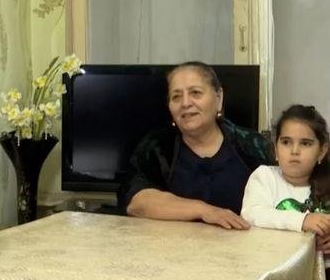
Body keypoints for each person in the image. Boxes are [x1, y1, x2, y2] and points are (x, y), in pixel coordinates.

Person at [121, 61, 273, 229]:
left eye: (195, 93)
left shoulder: (252, 145)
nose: (185, 103)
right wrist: (204, 210)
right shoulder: (157, 146)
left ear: (218, 98)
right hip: (174, 244)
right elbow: (136, 202)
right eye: (176, 96)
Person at [241, 104, 330, 235]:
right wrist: (302, 220)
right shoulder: (265, 176)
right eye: (286, 142)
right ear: (276, 149)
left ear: (321, 151)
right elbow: (251, 214)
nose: (294, 151)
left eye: (305, 143)